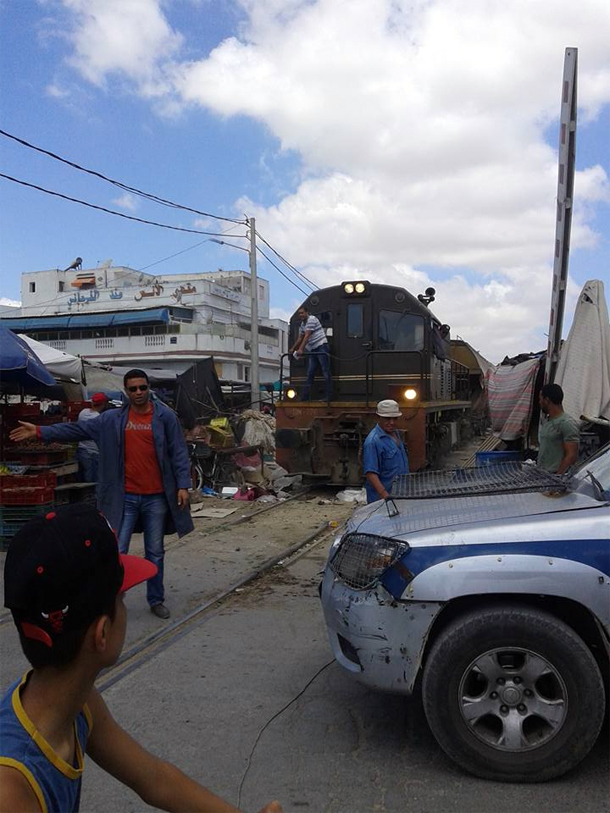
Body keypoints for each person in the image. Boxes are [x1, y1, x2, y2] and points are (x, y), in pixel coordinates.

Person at [0, 504, 282, 813]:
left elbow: (155, 780)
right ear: (102, 634)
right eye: (120, 600)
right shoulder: (13, 789)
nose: (125, 610)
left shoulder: (75, 704)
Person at [9, 370, 193, 621]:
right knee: (116, 550)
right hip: (123, 496)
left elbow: (179, 452)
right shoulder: (111, 420)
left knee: (155, 551)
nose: (138, 393)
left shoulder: (165, 418)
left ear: (148, 388)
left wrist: (183, 485)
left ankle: (156, 599)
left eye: (142, 387)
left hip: (156, 497)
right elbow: (76, 430)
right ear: (126, 392)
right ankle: (111, 601)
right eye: (133, 389)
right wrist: (40, 432)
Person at [362, 400, 409, 503]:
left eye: (394, 418)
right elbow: (371, 473)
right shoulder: (373, 442)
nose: (391, 422)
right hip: (383, 501)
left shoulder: (395, 434)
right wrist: (385, 496)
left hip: (400, 495)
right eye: (387, 419)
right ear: (378, 418)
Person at [288, 306, 332, 402]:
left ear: (307, 313)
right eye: (299, 313)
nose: (300, 315)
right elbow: (300, 337)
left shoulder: (312, 319)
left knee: (325, 371)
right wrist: (292, 348)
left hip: (321, 346)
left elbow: (307, 336)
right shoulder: (303, 325)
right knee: (310, 372)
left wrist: (300, 349)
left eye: (302, 313)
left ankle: (329, 396)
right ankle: (305, 397)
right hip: (313, 349)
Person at [538, 383, 580, 474]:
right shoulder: (548, 421)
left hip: (554, 477)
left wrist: (558, 477)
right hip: (543, 475)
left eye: (540, 399)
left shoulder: (566, 423)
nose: (539, 402)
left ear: (547, 400)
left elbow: (571, 455)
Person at [76, 392, 108, 483]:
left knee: (83, 479)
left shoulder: (83, 412)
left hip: (81, 449)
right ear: (103, 404)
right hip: (93, 452)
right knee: (92, 481)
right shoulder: (99, 418)